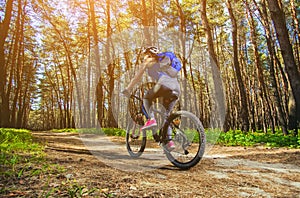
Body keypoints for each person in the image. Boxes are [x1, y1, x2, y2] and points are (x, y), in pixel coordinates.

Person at [122, 46, 181, 151]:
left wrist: (128, 89)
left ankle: (151, 119)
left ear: (148, 55)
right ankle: (169, 142)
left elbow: (137, 77)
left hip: (164, 84)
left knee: (146, 98)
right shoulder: (164, 61)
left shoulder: (148, 61)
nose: (144, 58)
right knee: (166, 116)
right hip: (176, 88)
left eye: (145, 56)